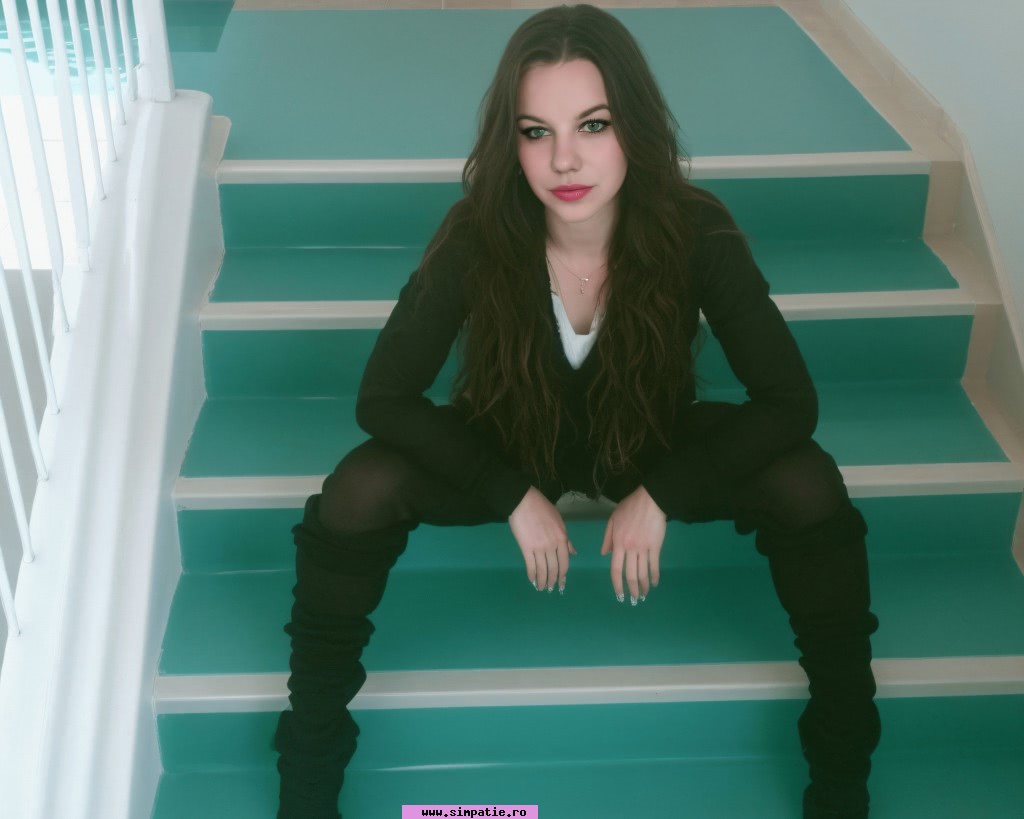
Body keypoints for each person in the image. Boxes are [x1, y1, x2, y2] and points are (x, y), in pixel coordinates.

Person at [273, 5, 880, 818]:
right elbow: (383, 397)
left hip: (649, 443)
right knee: (359, 488)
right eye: (537, 132)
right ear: (512, 141)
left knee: (808, 480)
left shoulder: (696, 228)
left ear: (634, 124)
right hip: (509, 445)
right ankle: (308, 775)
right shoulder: (477, 231)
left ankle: (841, 772)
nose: (565, 159)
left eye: (593, 124)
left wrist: (662, 493)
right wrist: (509, 494)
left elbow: (789, 401)